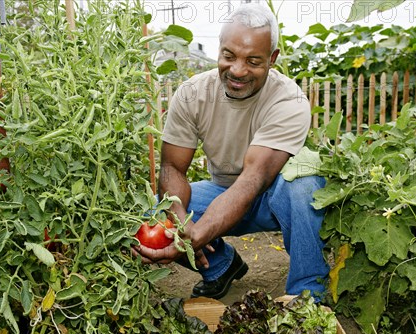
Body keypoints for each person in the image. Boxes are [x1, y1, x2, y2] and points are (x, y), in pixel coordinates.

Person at [134, 3, 328, 300]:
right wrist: (180, 224)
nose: (237, 70)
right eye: (228, 56)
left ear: (272, 58)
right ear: (219, 49)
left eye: (253, 60)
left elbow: (255, 179)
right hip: (222, 192)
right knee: (156, 214)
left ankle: (307, 296)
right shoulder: (192, 93)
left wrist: (198, 236)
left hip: (274, 197)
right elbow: (173, 169)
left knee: (305, 188)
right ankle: (222, 266)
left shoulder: (289, 101)